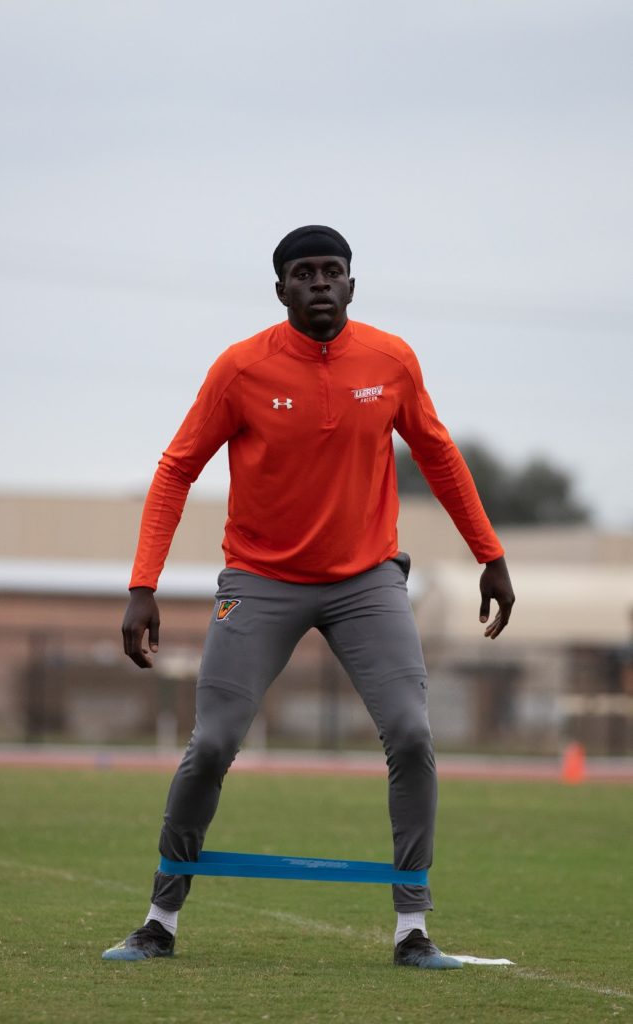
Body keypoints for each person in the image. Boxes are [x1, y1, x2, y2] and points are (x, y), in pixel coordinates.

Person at [102, 225, 515, 967]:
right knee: (213, 743)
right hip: (260, 580)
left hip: (367, 580)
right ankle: (159, 919)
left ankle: (411, 930)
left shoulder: (390, 361)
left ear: (352, 286)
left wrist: (489, 553)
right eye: (304, 273)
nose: (319, 283)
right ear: (281, 289)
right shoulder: (239, 369)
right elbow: (175, 470)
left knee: (413, 736)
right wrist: (143, 584)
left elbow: (439, 455)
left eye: (333, 272)